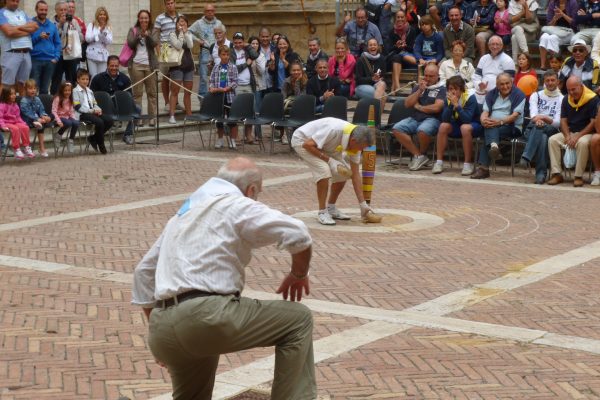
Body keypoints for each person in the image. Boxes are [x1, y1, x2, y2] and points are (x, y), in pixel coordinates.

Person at [132, 157, 316, 400]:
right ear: (251, 190)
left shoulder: (182, 215)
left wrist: (161, 328)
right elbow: (298, 232)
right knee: (298, 319)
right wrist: (298, 274)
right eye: (257, 193)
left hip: (162, 329)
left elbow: (143, 271)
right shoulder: (235, 203)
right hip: (205, 317)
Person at [291, 117, 377, 225]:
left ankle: (331, 208)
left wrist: (363, 204)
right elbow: (308, 145)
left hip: (326, 146)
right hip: (302, 141)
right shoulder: (333, 129)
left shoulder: (357, 143)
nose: (360, 150)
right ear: (353, 141)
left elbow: (355, 175)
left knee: (344, 173)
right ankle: (322, 212)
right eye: (360, 148)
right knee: (324, 170)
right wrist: (329, 160)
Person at [391, 63, 446, 171]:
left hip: (432, 119)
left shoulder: (442, 89)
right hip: (415, 118)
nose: (427, 78)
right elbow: (407, 104)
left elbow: (437, 108)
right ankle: (419, 156)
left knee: (422, 130)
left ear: (437, 76)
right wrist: (420, 91)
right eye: (426, 75)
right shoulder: (418, 87)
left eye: (431, 76)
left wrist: (419, 107)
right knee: (397, 128)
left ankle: (422, 153)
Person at [471, 73, 526, 179]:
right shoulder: (492, 94)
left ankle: (483, 168)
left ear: (512, 82)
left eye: (507, 83)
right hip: (493, 125)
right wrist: (483, 120)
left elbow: (514, 116)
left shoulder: (519, 95)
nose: (505, 86)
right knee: (489, 127)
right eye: (502, 84)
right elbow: (485, 112)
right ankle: (494, 147)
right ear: (497, 85)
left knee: (489, 130)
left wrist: (499, 122)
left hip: (512, 127)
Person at [547, 76, 599, 186]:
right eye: (569, 90)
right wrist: (567, 136)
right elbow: (563, 120)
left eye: (574, 89)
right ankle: (557, 174)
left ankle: (578, 176)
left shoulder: (592, 99)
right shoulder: (566, 99)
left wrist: (578, 136)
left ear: (581, 86)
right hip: (570, 131)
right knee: (553, 140)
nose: (571, 92)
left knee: (582, 143)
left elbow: (593, 122)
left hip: (587, 133)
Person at [519, 70, 564, 184]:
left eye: (553, 80)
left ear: (557, 81)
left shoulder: (561, 99)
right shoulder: (536, 95)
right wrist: (539, 119)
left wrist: (543, 118)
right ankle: (540, 174)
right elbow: (533, 115)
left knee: (542, 131)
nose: (550, 83)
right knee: (542, 136)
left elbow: (557, 123)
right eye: (547, 80)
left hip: (551, 129)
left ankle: (527, 156)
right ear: (544, 82)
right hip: (533, 128)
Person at [432, 75, 482, 175]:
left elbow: (467, 119)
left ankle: (467, 164)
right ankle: (439, 162)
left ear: (462, 89)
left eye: (456, 89)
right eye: (450, 89)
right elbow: (445, 119)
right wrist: (451, 104)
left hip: (474, 125)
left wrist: (457, 106)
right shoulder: (448, 98)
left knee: (465, 127)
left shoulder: (470, 97)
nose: (453, 91)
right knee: (443, 126)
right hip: (458, 125)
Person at [90, 56, 136, 144]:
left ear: (119, 66)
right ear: (107, 66)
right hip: (103, 108)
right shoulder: (97, 78)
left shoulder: (125, 79)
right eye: (112, 66)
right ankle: (97, 136)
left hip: (119, 107)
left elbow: (129, 96)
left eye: (116, 66)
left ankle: (128, 134)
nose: (114, 68)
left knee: (137, 108)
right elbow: (91, 95)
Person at [127, 9, 158, 127]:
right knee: (137, 93)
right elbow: (130, 44)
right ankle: (138, 117)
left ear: (149, 19)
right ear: (138, 19)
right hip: (136, 65)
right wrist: (139, 36)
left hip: (150, 65)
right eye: (142, 18)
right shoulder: (133, 30)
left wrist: (148, 36)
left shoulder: (154, 30)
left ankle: (151, 118)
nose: (144, 20)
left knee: (152, 93)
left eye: (146, 18)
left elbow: (155, 43)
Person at [0, 0, 38, 95]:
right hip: (11, 52)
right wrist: (27, 30)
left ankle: (22, 106)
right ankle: (3, 107)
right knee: (7, 84)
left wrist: (17, 27)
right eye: (13, 1)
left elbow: (35, 27)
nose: (15, 3)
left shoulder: (22, 13)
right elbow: (9, 33)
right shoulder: (2, 13)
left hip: (26, 53)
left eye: (17, 1)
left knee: (24, 84)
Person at [73, 69, 112, 155]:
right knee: (100, 122)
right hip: (82, 114)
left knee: (109, 120)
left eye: (87, 79)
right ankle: (101, 144)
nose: (85, 81)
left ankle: (93, 138)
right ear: (78, 80)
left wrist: (98, 109)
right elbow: (77, 106)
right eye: (83, 79)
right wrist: (91, 111)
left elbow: (94, 103)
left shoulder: (89, 90)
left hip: (92, 112)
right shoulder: (75, 91)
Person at [230, 31, 259, 143]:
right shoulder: (231, 52)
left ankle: (248, 135)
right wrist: (246, 64)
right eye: (236, 42)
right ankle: (236, 135)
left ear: (243, 41)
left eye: (240, 42)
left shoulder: (246, 50)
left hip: (248, 84)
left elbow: (255, 55)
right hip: (236, 85)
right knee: (236, 110)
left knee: (250, 110)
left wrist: (249, 46)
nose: (238, 44)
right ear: (233, 42)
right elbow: (234, 69)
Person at [188, 3, 220, 98]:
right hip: (205, 51)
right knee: (203, 77)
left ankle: (216, 97)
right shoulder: (198, 23)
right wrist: (198, 40)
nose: (210, 12)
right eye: (208, 11)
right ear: (204, 12)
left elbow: (223, 34)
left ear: (214, 11)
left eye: (212, 11)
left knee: (218, 76)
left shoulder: (219, 23)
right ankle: (202, 98)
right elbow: (188, 32)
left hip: (217, 51)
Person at [209, 45, 238, 149]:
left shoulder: (233, 67)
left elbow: (235, 82)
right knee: (219, 119)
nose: (225, 57)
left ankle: (232, 140)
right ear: (219, 55)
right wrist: (212, 88)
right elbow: (211, 80)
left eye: (227, 55)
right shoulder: (216, 67)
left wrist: (228, 88)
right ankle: (220, 140)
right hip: (218, 97)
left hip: (229, 96)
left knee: (232, 120)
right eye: (223, 54)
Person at [50, 0, 83, 94]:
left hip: (70, 54)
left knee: (71, 79)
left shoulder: (74, 21)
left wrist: (73, 29)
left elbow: (81, 37)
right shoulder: (51, 22)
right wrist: (60, 25)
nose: (64, 12)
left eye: (65, 9)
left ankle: (72, 100)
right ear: (56, 11)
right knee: (56, 79)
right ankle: (55, 100)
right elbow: (51, 37)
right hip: (57, 55)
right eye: (61, 10)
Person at [30, 0, 61, 95]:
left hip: (49, 61)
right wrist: (38, 37)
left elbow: (57, 43)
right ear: (36, 10)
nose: (43, 12)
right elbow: (27, 43)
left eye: (45, 10)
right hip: (35, 60)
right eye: (41, 10)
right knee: (33, 89)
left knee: (45, 89)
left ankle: (43, 109)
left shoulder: (52, 26)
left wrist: (56, 57)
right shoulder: (30, 24)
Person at [472, 35, 515, 104]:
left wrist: (492, 91)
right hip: (481, 91)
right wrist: (479, 85)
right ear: (488, 46)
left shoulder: (508, 60)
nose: (494, 47)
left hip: (499, 94)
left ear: (501, 46)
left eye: (497, 44)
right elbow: (476, 76)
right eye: (492, 44)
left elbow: (510, 82)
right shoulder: (484, 58)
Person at [152, 0, 179, 111]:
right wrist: (159, 52)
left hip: (177, 50)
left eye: (172, 2)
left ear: (175, 3)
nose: (170, 5)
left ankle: (175, 102)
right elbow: (155, 36)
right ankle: (167, 102)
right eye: (168, 3)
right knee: (166, 77)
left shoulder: (181, 17)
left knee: (177, 77)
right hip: (165, 50)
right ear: (165, 5)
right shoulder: (160, 18)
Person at [168, 15, 194, 124]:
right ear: (176, 24)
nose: (182, 24)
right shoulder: (173, 34)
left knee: (188, 92)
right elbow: (178, 45)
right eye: (180, 22)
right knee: (175, 91)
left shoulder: (189, 33)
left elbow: (190, 45)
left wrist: (186, 33)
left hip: (189, 65)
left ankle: (189, 114)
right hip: (177, 66)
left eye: (184, 22)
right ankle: (172, 115)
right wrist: (181, 34)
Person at [539, 0, 578, 71]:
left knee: (552, 38)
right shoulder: (552, 3)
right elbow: (549, 25)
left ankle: (555, 66)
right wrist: (555, 19)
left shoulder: (573, 2)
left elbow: (574, 23)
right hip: (555, 30)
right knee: (544, 36)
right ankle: (543, 65)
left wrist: (563, 14)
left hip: (568, 31)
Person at [388, 9, 418, 93]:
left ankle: (393, 88)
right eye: (398, 17)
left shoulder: (411, 30)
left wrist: (405, 46)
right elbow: (389, 49)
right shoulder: (391, 31)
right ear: (395, 19)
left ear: (405, 18)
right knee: (396, 57)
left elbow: (412, 48)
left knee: (397, 57)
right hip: (396, 58)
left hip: (408, 57)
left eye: (402, 17)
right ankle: (397, 87)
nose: (400, 19)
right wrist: (397, 46)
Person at [0, 87, 34, 160]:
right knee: (15, 129)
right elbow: (0, 118)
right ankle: (16, 148)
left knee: (25, 127)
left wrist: (23, 123)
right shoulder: (2, 105)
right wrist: (2, 126)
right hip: (6, 123)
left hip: (15, 122)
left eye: (14, 94)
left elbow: (18, 117)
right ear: (6, 95)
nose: (14, 96)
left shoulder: (15, 105)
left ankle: (26, 147)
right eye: (11, 94)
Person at [20, 79, 52, 157]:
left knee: (43, 123)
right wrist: (36, 119)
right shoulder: (24, 101)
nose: (33, 90)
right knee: (38, 123)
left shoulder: (37, 99)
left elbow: (41, 109)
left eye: (34, 88)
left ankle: (42, 148)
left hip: (36, 120)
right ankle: (27, 147)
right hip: (26, 120)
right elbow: (27, 113)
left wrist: (44, 116)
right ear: (25, 89)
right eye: (30, 88)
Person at [354, 38, 387, 113]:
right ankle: (377, 117)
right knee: (384, 96)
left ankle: (376, 117)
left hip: (376, 86)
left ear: (378, 47)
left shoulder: (382, 59)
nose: (373, 47)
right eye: (370, 45)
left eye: (374, 45)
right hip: (362, 86)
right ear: (367, 47)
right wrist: (372, 79)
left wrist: (379, 78)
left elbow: (383, 75)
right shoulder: (361, 60)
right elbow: (358, 79)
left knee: (382, 84)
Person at [85, 7, 112, 79]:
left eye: (104, 14)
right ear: (97, 15)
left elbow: (109, 41)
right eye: (100, 14)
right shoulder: (92, 25)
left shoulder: (108, 27)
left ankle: (100, 91)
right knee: (94, 77)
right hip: (92, 55)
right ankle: (93, 90)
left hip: (103, 56)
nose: (102, 16)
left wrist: (103, 34)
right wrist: (98, 33)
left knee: (102, 77)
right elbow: (87, 39)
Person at [52, 81, 79, 153]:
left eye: (69, 90)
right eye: (65, 90)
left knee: (76, 123)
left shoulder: (70, 98)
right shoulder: (57, 98)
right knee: (68, 123)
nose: (67, 92)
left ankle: (71, 140)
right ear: (62, 91)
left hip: (67, 117)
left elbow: (71, 110)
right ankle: (58, 135)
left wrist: (73, 118)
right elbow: (54, 111)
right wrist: (58, 121)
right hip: (59, 117)